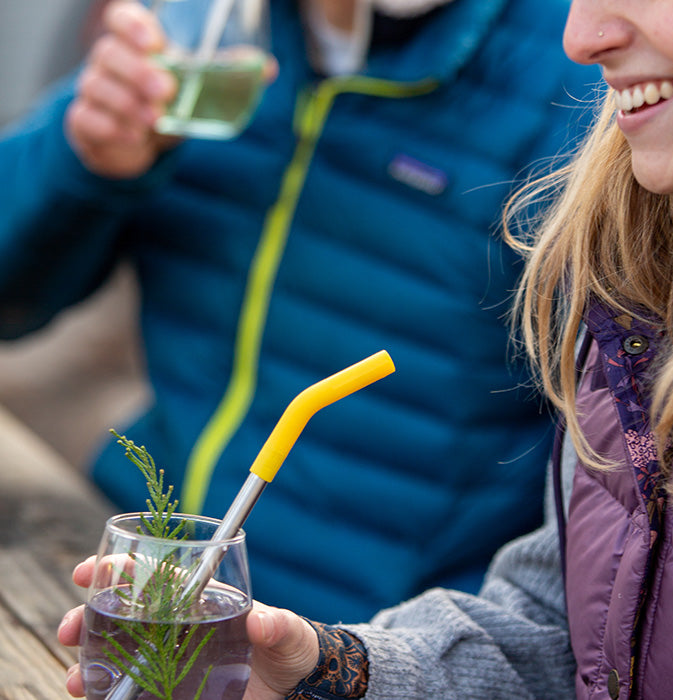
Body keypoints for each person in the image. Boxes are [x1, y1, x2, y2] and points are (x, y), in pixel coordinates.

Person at [58, 0, 673, 697]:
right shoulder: (208, 26)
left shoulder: (573, 115)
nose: (584, 38)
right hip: (157, 577)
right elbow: (583, 634)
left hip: (383, 601)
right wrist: (83, 161)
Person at [0, 0, 598, 623]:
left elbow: (612, 479)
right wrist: (84, 158)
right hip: (142, 568)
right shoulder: (203, 26)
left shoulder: (575, 79)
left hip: (372, 634)